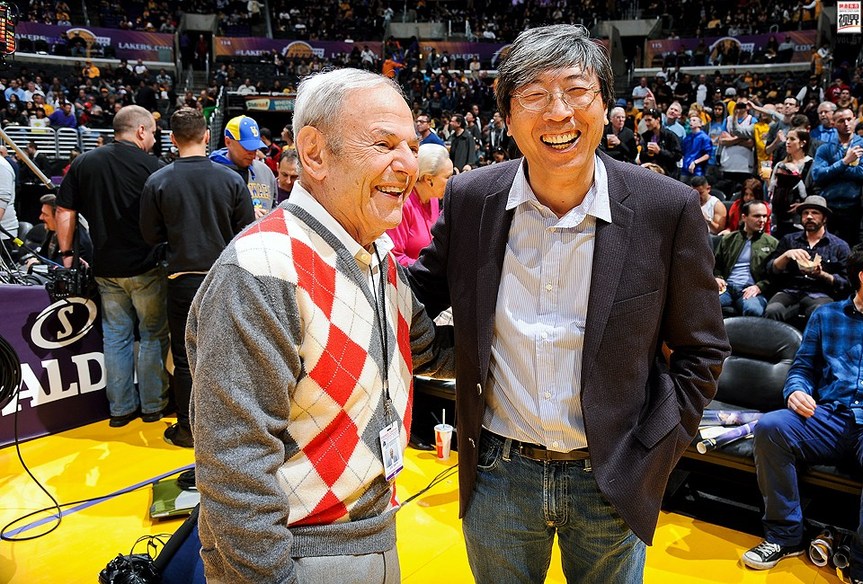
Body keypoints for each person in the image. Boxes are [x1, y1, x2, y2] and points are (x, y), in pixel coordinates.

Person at [407, 24, 729, 583]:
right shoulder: (471, 199)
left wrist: (653, 453)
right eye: (534, 95)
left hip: (612, 477)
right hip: (498, 471)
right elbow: (416, 294)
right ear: (507, 118)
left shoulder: (666, 209)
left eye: (577, 91)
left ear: (605, 107)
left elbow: (702, 349)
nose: (558, 113)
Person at [186, 68, 453, 583]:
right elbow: (234, 466)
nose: (407, 163)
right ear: (314, 153)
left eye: (412, 146)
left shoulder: (377, 255)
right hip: (302, 554)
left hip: (374, 531)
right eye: (384, 144)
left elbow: (426, 349)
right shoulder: (260, 269)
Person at [742, 244, 863, 583]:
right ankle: (785, 536)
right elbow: (803, 367)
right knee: (772, 427)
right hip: (829, 417)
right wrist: (796, 390)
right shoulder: (827, 316)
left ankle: (860, 561)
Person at [139, 108, 254, 449]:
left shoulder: (158, 181)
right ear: (206, 136)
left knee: (185, 358)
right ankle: (230, 427)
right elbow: (247, 231)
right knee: (229, 354)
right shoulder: (231, 180)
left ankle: (189, 430)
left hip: (183, 279)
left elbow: (149, 235)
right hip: (224, 278)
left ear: (172, 139)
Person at [55, 105, 168, 427]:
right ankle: (153, 406)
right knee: (152, 336)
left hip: (105, 268)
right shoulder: (154, 167)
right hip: (146, 266)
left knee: (115, 338)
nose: (153, 139)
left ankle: (120, 409)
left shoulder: (84, 162)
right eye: (152, 133)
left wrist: (66, 253)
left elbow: (63, 211)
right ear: (141, 130)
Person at [764, 195, 851, 324]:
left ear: (825, 218)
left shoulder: (839, 246)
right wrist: (786, 256)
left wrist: (821, 275)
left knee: (819, 312)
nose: (809, 216)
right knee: (772, 310)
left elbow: (847, 282)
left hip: (821, 294)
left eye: (815, 213)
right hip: (790, 291)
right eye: (806, 213)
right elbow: (771, 269)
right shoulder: (789, 240)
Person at [387, 143, 453, 267]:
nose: (452, 182)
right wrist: (431, 268)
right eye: (447, 177)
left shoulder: (433, 199)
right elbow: (394, 257)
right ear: (428, 179)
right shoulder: (403, 205)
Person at [809, 107, 863, 247]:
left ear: (855, 120)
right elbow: (817, 175)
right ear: (833, 123)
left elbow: (861, 172)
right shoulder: (825, 148)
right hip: (829, 207)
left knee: (853, 249)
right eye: (841, 121)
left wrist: (834, 169)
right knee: (826, 248)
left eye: (849, 119)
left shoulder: (861, 145)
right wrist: (845, 162)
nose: (846, 123)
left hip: (855, 207)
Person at [714, 201, 778, 316]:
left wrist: (760, 286)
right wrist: (717, 277)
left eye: (764, 216)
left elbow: (775, 275)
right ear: (744, 217)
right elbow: (716, 265)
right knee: (701, 305)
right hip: (726, 287)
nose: (762, 220)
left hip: (750, 289)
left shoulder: (772, 243)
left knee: (754, 310)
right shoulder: (729, 239)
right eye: (757, 216)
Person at [209, 115, 277, 219]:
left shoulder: (265, 171)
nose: (252, 153)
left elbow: (274, 206)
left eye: (255, 148)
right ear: (228, 142)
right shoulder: (211, 173)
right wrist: (246, 213)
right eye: (247, 148)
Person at [20, 194, 93, 268]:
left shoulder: (78, 241)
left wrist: (39, 265)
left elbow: (63, 268)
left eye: (45, 214)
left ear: (59, 217)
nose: (40, 217)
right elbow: (43, 256)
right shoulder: (52, 231)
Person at [639, 107, 682, 178]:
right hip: (650, 173)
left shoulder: (670, 136)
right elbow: (642, 157)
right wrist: (647, 153)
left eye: (649, 120)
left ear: (658, 119)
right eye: (645, 120)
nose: (647, 123)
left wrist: (660, 151)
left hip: (667, 174)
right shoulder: (646, 136)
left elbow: (678, 156)